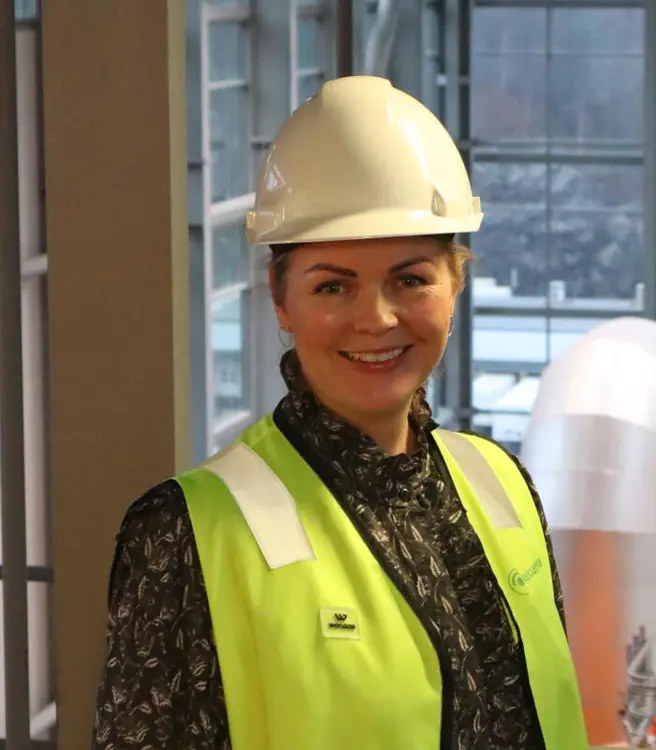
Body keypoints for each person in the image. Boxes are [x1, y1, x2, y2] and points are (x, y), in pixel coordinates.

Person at [92, 76, 589, 750]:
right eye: (333, 285)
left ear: (457, 281)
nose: (376, 319)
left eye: (410, 278)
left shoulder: (502, 483)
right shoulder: (186, 536)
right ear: (281, 298)